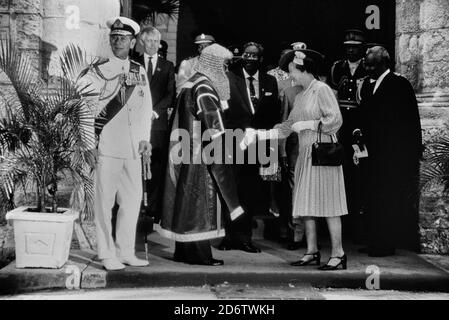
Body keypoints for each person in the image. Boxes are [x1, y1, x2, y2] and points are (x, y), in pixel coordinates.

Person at [245, 48, 348, 270]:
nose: (290, 76)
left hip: (323, 155)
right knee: (306, 206)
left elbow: (335, 120)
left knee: (329, 206)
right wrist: (262, 134)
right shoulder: (300, 95)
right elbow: (288, 126)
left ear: (305, 70)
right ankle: (311, 251)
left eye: (293, 72)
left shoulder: (322, 90)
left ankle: (338, 253)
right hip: (305, 155)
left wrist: (311, 125)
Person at [156, 43, 244, 266]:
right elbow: (213, 124)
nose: (224, 71)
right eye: (223, 66)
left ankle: (184, 251)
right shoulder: (204, 86)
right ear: (215, 64)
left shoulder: (191, 82)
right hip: (200, 153)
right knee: (201, 203)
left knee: (185, 201)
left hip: (186, 150)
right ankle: (200, 255)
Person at [78, 17, 153, 271]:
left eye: (123, 38)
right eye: (114, 37)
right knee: (104, 203)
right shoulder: (96, 71)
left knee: (132, 202)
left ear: (133, 42)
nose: (118, 41)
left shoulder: (138, 70)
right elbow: (84, 111)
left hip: (132, 148)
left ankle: (125, 252)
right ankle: (106, 254)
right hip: (106, 147)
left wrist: (145, 138)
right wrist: (88, 144)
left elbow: (145, 108)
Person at [355, 46, 422, 257]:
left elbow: (411, 121)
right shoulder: (367, 84)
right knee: (372, 197)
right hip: (371, 154)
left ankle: (386, 243)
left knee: (388, 198)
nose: (368, 68)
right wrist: (357, 132)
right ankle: (374, 239)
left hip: (392, 156)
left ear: (384, 63)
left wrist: (411, 154)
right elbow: (362, 114)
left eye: (372, 65)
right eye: (366, 64)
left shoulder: (399, 84)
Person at [219, 42, 281, 253]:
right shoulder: (230, 78)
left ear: (260, 59)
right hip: (235, 141)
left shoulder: (269, 81)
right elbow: (224, 112)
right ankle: (229, 236)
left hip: (258, 144)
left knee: (250, 192)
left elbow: (273, 114)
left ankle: (245, 238)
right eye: (246, 56)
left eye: (254, 57)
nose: (250, 60)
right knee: (231, 190)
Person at [329, 29, 367, 243]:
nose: (351, 50)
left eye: (355, 47)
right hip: (341, 125)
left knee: (359, 175)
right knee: (340, 173)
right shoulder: (337, 67)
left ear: (362, 49)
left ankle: (357, 225)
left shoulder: (367, 65)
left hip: (359, 125)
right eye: (348, 47)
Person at [133, 26, 175, 221]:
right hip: (137, 123)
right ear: (142, 42)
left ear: (159, 43)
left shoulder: (167, 66)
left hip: (157, 124)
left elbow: (170, 94)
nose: (151, 45)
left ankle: (154, 209)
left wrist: (154, 112)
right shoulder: (135, 63)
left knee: (156, 166)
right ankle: (138, 204)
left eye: (154, 41)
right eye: (147, 41)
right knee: (137, 163)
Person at [278, 42, 307, 250]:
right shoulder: (289, 92)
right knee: (296, 192)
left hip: (318, 150)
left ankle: (313, 235)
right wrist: (282, 152)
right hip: (296, 150)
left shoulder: (326, 90)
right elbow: (285, 124)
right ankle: (297, 233)